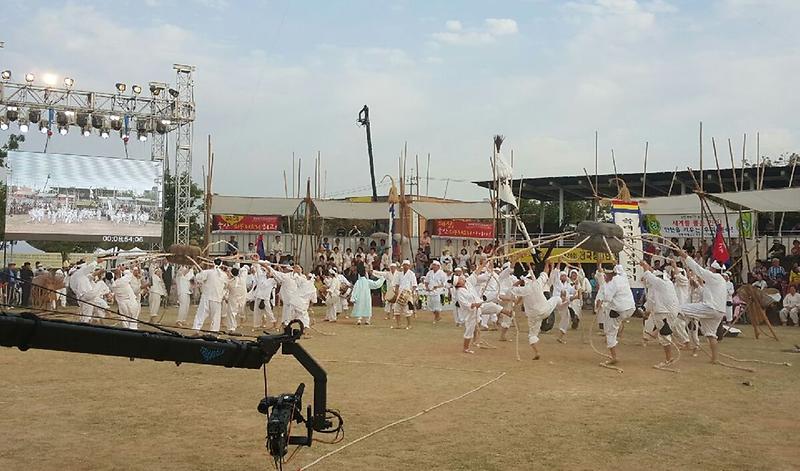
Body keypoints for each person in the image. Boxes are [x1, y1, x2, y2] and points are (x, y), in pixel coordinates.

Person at [679, 250, 727, 364]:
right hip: (718, 311)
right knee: (711, 334)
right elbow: (706, 293)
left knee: (678, 309)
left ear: (714, 269)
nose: (709, 270)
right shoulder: (720, 281)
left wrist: (685, 256)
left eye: (711, 268)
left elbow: (698, 269)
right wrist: (697, 285)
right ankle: (715, 359)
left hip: (710, 308)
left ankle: (665, 330)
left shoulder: (714, 276)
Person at [511, 262, 561, 360]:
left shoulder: (523, 290)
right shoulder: (537, 284)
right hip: (544, 310)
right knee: (556, 298)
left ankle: (537, 352)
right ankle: (564, 304)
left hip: (533, 315)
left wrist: (519, 282)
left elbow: (512, 289)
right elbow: (545, 272)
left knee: (532, 335)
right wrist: (548, 263)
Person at [640, 261, 680, 367]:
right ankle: (654, 335)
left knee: (664, 336)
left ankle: (669, 359)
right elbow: (651, 300)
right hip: (669, 312)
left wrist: (645, 266)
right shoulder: (667, 283)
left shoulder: (660, 283)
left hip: (664, 313)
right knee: (663, 334)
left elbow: (649, 274)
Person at [595, 264, 636, 365]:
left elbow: (608, 298)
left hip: (619, 310)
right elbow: (620, 268)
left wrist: (599, 302)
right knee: (614, 323)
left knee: (610, 333)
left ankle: (614, 357)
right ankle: (617, 331)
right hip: (630, 309)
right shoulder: (623, 277)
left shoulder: (611, 283)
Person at [192, 259, 226, 332]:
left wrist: (201, 273)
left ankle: (196, 329)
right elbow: (225, 286)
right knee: (215, 317)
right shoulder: (223, 275)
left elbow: (198, 278)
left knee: (201, 314)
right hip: (216, 298)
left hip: (207, 297)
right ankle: (214, 331)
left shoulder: (208, 272)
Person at [391, 260, 418, 330]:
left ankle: (409, 325)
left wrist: (411, 293)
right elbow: (397, 284)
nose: (405, 266)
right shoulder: (399, 274)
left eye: (407, 265)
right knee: (396, 309)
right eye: (404, 265)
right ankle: (398, 324)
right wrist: (396, 291)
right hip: (400, 293)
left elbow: (414, 285)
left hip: (408, 293)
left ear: (409, 266)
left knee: (407, 310)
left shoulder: (411, 274)